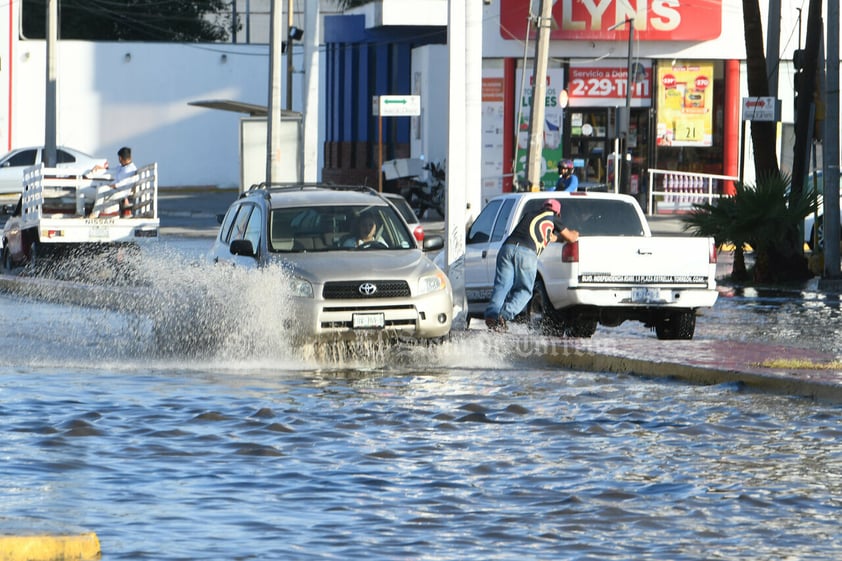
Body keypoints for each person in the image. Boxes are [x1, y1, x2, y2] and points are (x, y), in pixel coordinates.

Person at [484, 199, 579, 331]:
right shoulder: (553, 218)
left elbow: (547, 235)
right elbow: (570, 237)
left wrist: (556, 237)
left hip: (507, 248)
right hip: (527, 253)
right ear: (558, 213)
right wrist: (575, 233)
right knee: (524, 291)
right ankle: (503, 316)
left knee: (502, 285)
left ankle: (491, 316)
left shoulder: (530, 214)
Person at [89, 146, 137, 217]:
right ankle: (97, 213)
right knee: (101, 189)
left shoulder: (131, 169)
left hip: (121, 192)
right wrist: (100, 168)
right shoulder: (122, 167)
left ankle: (95, 214)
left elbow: (123, 183)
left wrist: (112, 186)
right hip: (115, 189)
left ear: (120, 158)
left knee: (101, 189)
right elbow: (112, 170)